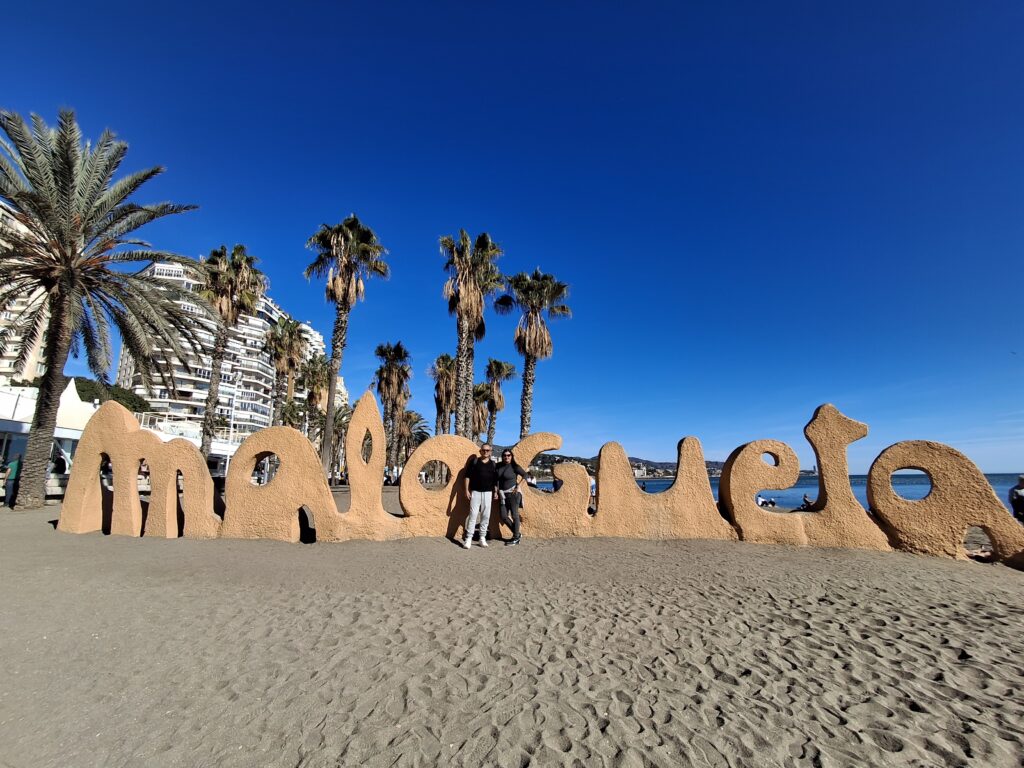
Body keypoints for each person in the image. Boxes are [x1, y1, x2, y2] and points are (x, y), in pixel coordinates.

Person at [462, 443, 497, 549]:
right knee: (473, 515)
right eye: (483, 450)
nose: (485, 452)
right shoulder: (474, 462)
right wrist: (466, 490)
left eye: (487, 450)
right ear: (480, 451)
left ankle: (482, 538)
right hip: (475, 492)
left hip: (488, 493)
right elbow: (467, 476)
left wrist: (495, 492)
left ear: (491, 452)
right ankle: (468, 539)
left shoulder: (493, 464)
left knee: (486, 516)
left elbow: (495, 480)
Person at [496, 449, 529, 546]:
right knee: (504, 516)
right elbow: (496, 479)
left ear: (511, 456)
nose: (506, 457)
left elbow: (525, 475)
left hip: (513, 494)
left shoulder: (514, 466)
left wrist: (519, 486)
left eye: (508, 455)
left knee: (514, 515)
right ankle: (517, 534)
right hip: (502, 494)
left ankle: (515, 538)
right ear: (502, 457)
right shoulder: (498, 466)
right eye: (505, 455)